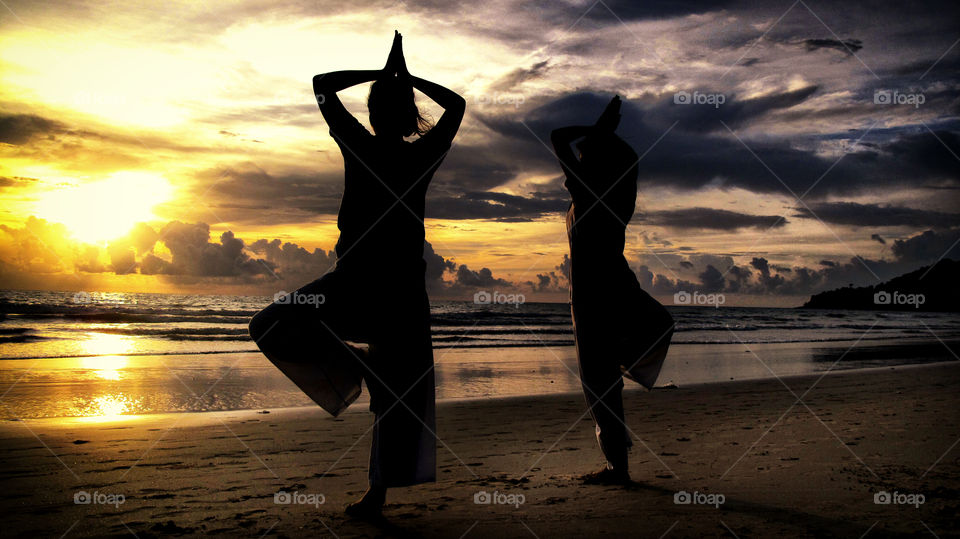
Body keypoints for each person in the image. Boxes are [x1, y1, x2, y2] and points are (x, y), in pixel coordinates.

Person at [248, 31, 464, 518]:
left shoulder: (380, 149)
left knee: (389, 395)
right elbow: (456, 105)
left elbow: (323, 84)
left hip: (384, 287)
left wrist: (385, 76)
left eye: (379, 104)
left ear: (377, 113)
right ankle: (359, 371)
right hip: (373, 284)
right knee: (273, 325)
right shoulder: (399, 152)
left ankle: (376, 494)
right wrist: (402, 79)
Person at [551, 96, 675, 485]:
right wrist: (602, 133)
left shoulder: (589, 191)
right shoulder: (618, 198)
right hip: (612, 289)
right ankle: (616, 464)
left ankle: (616, 467)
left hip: (593, 297)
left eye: (586, 155)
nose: (580, 158)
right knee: (604, 380)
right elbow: (567, 143)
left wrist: (597, 130)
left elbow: (558, 137)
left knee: (598, 381)